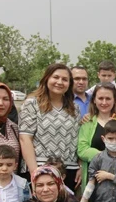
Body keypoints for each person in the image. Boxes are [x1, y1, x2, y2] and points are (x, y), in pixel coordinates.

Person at [19, 63, 80, 192]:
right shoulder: (32, 104)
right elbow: (25, 139)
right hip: (42, 169)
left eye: (65, 79)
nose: (59, 82)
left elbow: (77, 139)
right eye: (56, 77)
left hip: (69, 170)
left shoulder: (75, 108)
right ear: (47, 79)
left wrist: (79, 166)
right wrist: (34, 172)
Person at [77, 83, 116, 194]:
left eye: (108, 98)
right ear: (94, 100)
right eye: (100, 98)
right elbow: (82, 149)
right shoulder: (87, 122)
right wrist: (105, 157)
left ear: (114, 100)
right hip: (93, 180)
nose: (104, 102)